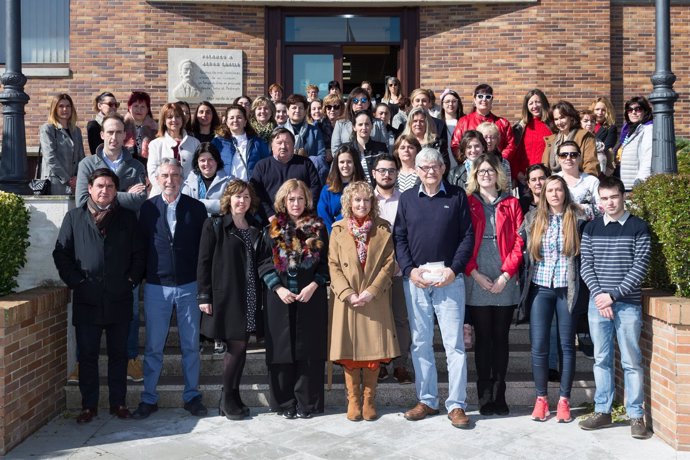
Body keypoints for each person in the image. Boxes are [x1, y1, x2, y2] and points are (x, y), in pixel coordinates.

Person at [53, 168, 145, 424]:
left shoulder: (127, 218)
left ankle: (119, 403)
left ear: (116, 191)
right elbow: (61, 254)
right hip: (87, 299)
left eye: (110, 187)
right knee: (88, 355)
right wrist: (77, 282)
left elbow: (139, 255)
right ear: (90, 189)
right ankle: (88, 406)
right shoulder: (74, 217)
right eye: (100, 186)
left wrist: (130, 281)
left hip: (119, 298)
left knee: (119, 355)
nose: (104, 191)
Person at [393, 147, 474, 429]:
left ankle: (456, 405)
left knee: (454, 345)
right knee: (420, 342)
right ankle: (427, 399)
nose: (430, 171)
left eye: (435, 166)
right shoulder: (407, 199)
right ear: (416, 171)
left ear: (443, 168)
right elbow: (399, 238)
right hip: (417, 281)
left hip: (450, 281)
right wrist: (409, 270)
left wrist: (454, 270)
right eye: (424, 167)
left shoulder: (456, 196)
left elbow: (467, 236)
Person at [133, 158, 209, 420]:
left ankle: (192, 396)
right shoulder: (147, 209)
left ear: (182, 178)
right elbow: (141, 247)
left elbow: (203, 251)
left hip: (189, 286)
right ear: (157, 178)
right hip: (157, 286)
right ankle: (149, 398)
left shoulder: (196, 209)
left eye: (175, 175)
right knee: (154, 346)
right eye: (165, 175)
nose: (170, 180)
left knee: (190, 345)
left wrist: (204, 287)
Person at [75, 114, 148, 382]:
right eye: (109, 132)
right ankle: (83, 363)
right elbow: (82, 201)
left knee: (131, 309)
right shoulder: (87, 164)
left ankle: (130, 358)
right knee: (88, 309)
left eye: (119, 132)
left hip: (124, 248)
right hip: (92, 248)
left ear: (125, 135)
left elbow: (141, 201)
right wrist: (123, 195)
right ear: (102, 135)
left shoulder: (135, 165)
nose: (114, 137)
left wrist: (104, 196)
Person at [578, 176, 652, 439]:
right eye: (604, 198)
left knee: (631, 361)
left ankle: (635, 416)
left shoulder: (638, 227)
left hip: (627, 306)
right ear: (599, 201)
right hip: (598, 305)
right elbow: (585, 265)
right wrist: (600, 295)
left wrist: (614, 295)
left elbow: (640, 266)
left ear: (623, 196)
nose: (609, 202)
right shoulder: (591, 228)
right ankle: (603, 410)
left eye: (614, 197)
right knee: (601, 359)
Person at [257, 179, 329, 419]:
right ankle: (285, 403)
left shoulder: (318, 228)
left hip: (311, 296)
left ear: (306, 200)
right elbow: (263, 263)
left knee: (308, 349)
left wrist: (314, 285)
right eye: (291, 199)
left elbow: (327, 263)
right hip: (280, 297)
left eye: (300, 198)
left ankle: (307, 403)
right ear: (283, 201)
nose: (296, 203)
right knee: (281, 349)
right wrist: (277, 288)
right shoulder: (273, 228)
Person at [329, 180, 399, 421]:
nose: (361, 204)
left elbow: (390, 263)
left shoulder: (383, 228)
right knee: (349, 352)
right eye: (357, 199)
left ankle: (369, 398)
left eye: (366, 199)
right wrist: (347, 292)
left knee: (373, 353)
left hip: (373, 298)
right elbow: (333, 265)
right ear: (349, 202)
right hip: (347, 299)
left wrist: (372, 290)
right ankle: (353, 399)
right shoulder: (337, 229)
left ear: (373, 203)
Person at [520, 175, 586, 423]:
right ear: (544, 194)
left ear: (565, 192)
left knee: (567, 346)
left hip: (566, 289)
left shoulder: (578, 219)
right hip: (540, 288)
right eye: (550, 190)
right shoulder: (533, 219)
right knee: (539, 346)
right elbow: (520, 249)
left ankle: (564, 401)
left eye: (559, 189)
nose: (555, 194)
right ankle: (541, 400)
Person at [197, 179, 262, 420]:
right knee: (235, 347)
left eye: (246, 197)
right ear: (228, 199)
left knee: (242, 347)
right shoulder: (214, 225)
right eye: (237, 196)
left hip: (250, 295)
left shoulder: (254, 226)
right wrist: (204, 295)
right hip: (227, 295)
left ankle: (233, 396)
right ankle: (226, 399)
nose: (241, 201)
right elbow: (203, 262)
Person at [464, 154, 524, 416]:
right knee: (483, 340)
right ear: (474, 176)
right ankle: (484, 397)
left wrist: (505, 276)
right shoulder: (467, 203)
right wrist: (474, 274)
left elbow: (519, 243)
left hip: (504, 280)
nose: (485, 175)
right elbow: (461, 241)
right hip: (477, 278)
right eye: (481, 172)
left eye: (489, 170)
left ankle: (500, 396)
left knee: (501, 340)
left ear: (498, 174)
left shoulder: (512, 203)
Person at [372, 154, 413, 385]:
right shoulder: (366, 200)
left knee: (400, 319)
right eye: (382, 170)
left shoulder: (406, 200)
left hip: (399, 269)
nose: (387, 174)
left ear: (397, 173)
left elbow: (409, 234)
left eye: (391, 170)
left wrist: (401, 261)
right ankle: (378, 364)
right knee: (377, 319)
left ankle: (400, 366)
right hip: (373, 273)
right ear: (374, 173)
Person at [250, 127, 322, 223]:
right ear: (271, 146)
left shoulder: (305, 163)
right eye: (279, 143)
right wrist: (269, 214)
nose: (283, 146)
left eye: (287, 142)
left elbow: (315, 188)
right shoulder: (262, 166)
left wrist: (306, 211)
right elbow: (255, 193)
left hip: (302, 219)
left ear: (293, 145)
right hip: (271, 221)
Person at [450, 84, 516, 174]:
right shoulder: (464, 121)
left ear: (492, 100)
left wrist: (499, 160)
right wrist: (468, 159)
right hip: (471, 169)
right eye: (480, 96)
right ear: (474, 99)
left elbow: (510, 145)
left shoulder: (503, 123)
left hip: (496, 169)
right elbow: (455, 145)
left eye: (488, 97)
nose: (484, 100)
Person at [147, 102, 200, 196]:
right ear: (164, 120)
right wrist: (166, 191)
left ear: (182, 119)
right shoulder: (155, 144)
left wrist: (188, 190)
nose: (174, 120)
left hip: (188, 195)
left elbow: (197, 170)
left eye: (178, 116)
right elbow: (152, 172)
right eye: (170, 117)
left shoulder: (194, 143)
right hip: (161, 195)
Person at [39, 93, 85, 195]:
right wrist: (67, 179)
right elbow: (50, 157)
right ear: (54, 108)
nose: (65, 109)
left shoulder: (76, 131)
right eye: (61, 106)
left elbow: (81, 157)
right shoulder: (48, 129)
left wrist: (78, 177)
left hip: (75, 183)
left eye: (68, 106)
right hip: (55, 182)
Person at [211, 104, 270, 181]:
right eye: (231, 118)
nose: (235, 120)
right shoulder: (218, 142)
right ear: (227, 122)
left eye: (239, 117)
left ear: (245, 122)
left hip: (250, 188)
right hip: (226, 188)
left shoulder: (257, 142)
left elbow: (267, 164)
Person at [317, 144, 366, 233]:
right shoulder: (327, 189)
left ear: (355, 164)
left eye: (349, 162)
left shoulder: (363, 189)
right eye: (342, 162)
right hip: (332, 236)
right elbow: (323, 215)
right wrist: (334, 234)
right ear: (336, 164)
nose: (345, 165)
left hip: (357, 234)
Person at [542, 100, 599, 176]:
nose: (559, 122)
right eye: (556, 119)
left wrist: (583, 184)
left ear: (571, 118)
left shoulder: (585, 136)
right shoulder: (551, 140)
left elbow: (591, 165)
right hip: (553, 184)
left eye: (562, 117)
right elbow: (545, 166)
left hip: (578, 182)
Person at [513, 89, 554, 188]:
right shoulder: (520, 127)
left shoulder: (553, 126)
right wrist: (517, 173)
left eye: (538, 102)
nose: (534, 106)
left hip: (547, 179)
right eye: (531, 103)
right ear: (526, 106)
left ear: (544, 103)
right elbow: (514, 153)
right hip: (525, 179)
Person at [331, 87, 389, 154]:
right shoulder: (340, 123)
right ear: (350, 103)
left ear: (369, 103)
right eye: (355, 100)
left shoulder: (378, 123)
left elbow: (385, 147)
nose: (359, 103)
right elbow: (335, 150)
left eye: (363, 100)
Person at [284, 94, 328, 181]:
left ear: (305, 111)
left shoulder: (314, 131)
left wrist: (307, 159)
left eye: (301, 108)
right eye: (294, 108)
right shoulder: (279, 131)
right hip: (285, 176)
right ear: (287, 110)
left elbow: (321, 155)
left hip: (309, 176)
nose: (297, 110)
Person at [615, 96, 654, 191]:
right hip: (627, 182)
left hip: (638, 184)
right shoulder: (629, 131)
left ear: (645, 111)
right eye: (630, 110)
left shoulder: (648, 129)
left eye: (638, 109)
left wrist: (641, 179)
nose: (633, 112)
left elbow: (648, 156)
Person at [555, 141, 601, 220]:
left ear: (579, 158)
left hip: (586, 227)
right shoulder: (553, 180)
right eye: (563, 155)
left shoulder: (592, 181)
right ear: (558, 159)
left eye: (573, 155)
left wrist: (581, 207)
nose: (568, 158)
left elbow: (602, 207)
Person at [182, 142, 230, 216]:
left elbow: (229, 205)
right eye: (202, 160)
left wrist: (197, 203)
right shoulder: (189, 181)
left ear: (217, 160)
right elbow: (183, 204)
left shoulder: (229, 182)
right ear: (197, 162)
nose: (206, 163)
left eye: (211, 159)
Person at [408, 89, 450, 168]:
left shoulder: (439, 124)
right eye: (417, 100)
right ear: (412, 103)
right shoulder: (404, 125)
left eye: (424, 101)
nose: (420, 103)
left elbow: (443, 153)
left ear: (429, 103)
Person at [346, 111, 389, 185]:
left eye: (367, 124)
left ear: (372, 126)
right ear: (354, 127)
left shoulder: (381, 148)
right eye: (360, 124)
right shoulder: (347, 150)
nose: (364, 127)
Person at [123, 91, 157, 167]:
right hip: (125, 167)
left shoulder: (155, 128)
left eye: (142, 107)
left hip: (149, 167)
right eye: (136, 106)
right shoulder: (121, 126)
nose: (139, 110)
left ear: (147, 109)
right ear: (129, 107)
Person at [580, 109, 610, 176]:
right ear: (580, 123)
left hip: (601, 178)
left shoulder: (599, 141)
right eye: (585, 121)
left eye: (592, 121)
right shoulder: (577, 141)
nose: (589, 123)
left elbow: (609, 163)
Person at [439, 89, 464, 168]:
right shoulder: (437, 123)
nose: (450, 104)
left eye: (454, 101)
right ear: (442, 105)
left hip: (461, 162)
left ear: (458, 103)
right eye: (447, 102)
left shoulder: (464, 121)